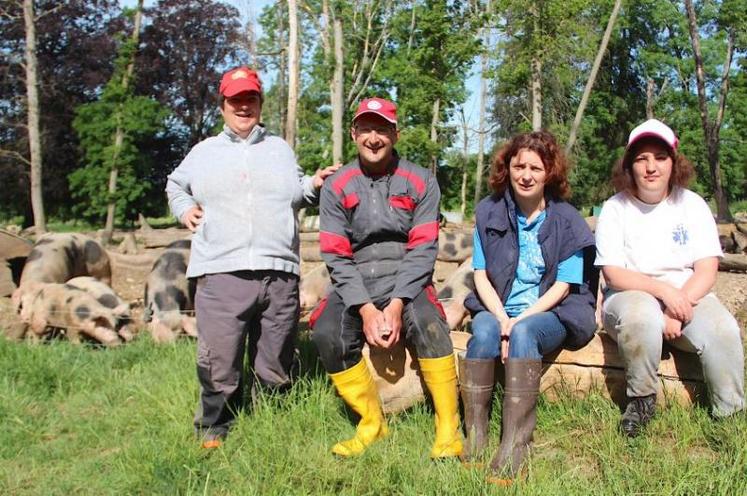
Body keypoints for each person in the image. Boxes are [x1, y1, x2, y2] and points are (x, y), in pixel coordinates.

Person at [165, 67, 339, 448]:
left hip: (278, 272)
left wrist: (314, 184)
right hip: (221, 271)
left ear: (260, 103)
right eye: (235, 100)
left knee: (275, 355)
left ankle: (272, 422)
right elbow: (175, 184)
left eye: (251, 99)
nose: (244, 106)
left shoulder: (279, 149)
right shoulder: (203, 152)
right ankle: (214, 425)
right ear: (223, 105)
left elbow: (296, 193)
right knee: (220, 356)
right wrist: (183, 208)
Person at [309, 97, 462, 459]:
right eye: (366, 128)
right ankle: (372, 423)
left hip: (407, 275)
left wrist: (396, 305)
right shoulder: (337, 186)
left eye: (381, 129)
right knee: (326, 331)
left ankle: (448, 430)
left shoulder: (421, 180)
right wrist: (364, 309)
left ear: (395, 133)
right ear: (353, 133)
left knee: (431, 325)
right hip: (355, 277)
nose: (373, 137)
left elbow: (423, 248)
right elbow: (336, 254)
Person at [595, 119, 744, 437]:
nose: (651, 167)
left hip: (687, 293)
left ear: (673, 162)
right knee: (640, 315)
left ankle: (730, 413)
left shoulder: (692, 205)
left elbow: (706, 269)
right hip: (629, 294)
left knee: (724, 329)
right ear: (629, 165)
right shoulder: (615, 208)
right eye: (641, 158)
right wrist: (663, 293)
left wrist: (678, 305)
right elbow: (614, 274)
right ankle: (641, 401)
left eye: (660, 157)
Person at [461, 131, 597, 481]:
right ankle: (476, 435)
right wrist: (502, 317)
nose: (525, 174)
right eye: (518, 165)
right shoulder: (488, 211)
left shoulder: (567, 219)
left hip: (553, 310)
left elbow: (565, 286)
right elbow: (480, 275)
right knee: (483, 330)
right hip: (498, 306)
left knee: (523, 331)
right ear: (507, 167)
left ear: (549, 172)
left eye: (535, 167)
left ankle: (515, 447)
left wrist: (518, 320)